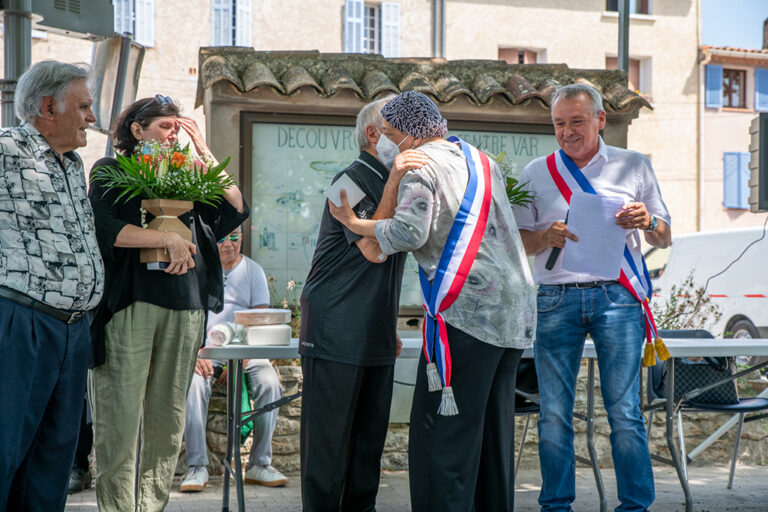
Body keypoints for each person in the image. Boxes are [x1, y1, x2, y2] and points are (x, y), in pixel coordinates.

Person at [330, 90, 537, 512]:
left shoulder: (418, 167)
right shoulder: (481, 161)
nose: (385, 141)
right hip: (513, 314)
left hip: (468, 314)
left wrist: (357, 223)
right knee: (493, 433)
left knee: (443, 435)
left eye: (388, 132)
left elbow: (410, 233)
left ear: (407, 133)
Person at [512, 83, 671, 512]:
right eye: (559, 123)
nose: (567, 132)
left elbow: (664, 233)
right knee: (554, 414)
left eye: (577, 122)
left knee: (623, 411)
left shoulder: (633, 165)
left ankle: (635, 506)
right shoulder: (535, 172)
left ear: (600, 120)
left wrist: (648, 218)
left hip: (617, 299)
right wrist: (545, 235)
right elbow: (517, 241)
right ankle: (556, 506)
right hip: (555, 299)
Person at [87, 96, 249, 511]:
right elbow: (107, 229)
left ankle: (151, 506)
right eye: (165, 126)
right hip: (130, 306)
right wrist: (166, 238)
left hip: (187, 305)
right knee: (119, 421)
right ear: (138, 130)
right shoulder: (111, 171)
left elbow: (237, 206)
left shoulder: (191, 176)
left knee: (167, 424)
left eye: (178, 126)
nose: (173, 133)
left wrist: (206, 153)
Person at [298, 97, 420, 511]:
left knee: (368, 447)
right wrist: (392, 184)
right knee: (329, 450)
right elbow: (373, 248)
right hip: (335, 328)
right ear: (374, 134)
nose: (410, 141)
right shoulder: (347, 180)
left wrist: (386, 326)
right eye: (398, 130)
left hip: (373, 333)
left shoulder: (397, 183)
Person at [0, 60, 104, 510]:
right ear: (47, 107)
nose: (91, 117)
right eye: (83, 106)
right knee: (6, 449)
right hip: (21, 322)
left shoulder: (73, 162)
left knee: (54, 459)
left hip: (71, 330)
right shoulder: (5, 150)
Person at [180, 225, 288, 492]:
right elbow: (185, 319)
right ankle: (197, 467)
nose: (228, 243)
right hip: (206, 352)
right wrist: (194, 352)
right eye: (221, 237)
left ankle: (259, 464)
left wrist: (241, 358)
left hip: (248, 351)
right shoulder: (198, 269)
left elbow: (260, 322)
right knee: (192, 386)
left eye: (235, 236)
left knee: (270, 382)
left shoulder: (253, 271)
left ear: (242, 238)